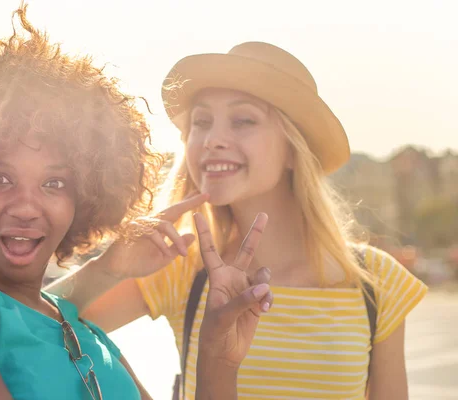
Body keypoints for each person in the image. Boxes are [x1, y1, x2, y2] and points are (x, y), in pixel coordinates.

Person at [0, 6, 273, 400]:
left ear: (84, 197)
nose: (27, 206)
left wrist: (218, 358)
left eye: (54, 182)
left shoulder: (88, 333)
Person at [46, 42, 428, 399]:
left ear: (294, 151)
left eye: (243, 120)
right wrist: (106, 268)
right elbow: (29, 326)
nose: (213, 139)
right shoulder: (181, 267)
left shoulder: (377, 283)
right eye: (201, 122)